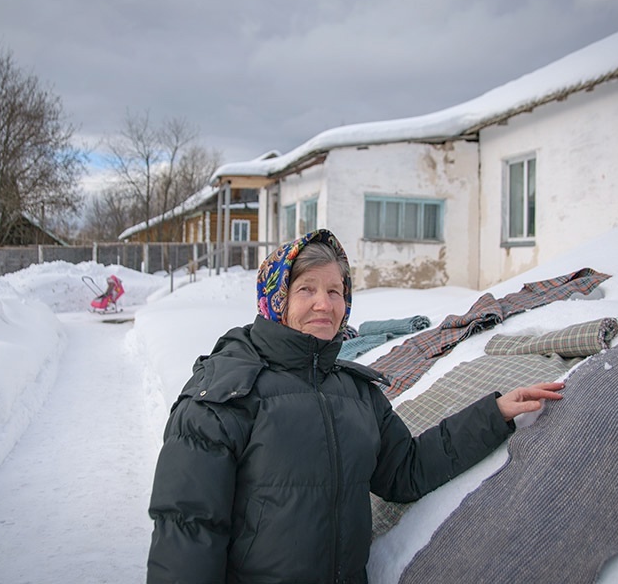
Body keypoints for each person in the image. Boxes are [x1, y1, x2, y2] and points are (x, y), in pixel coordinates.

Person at [146, 229, 563, 584]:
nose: (324, 304)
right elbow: (188, 530)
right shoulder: (224, 391)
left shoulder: (355, 391)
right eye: (306, 289)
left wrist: (493, 414)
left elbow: (405, 471)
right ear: (276, 298)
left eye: (335, 291)